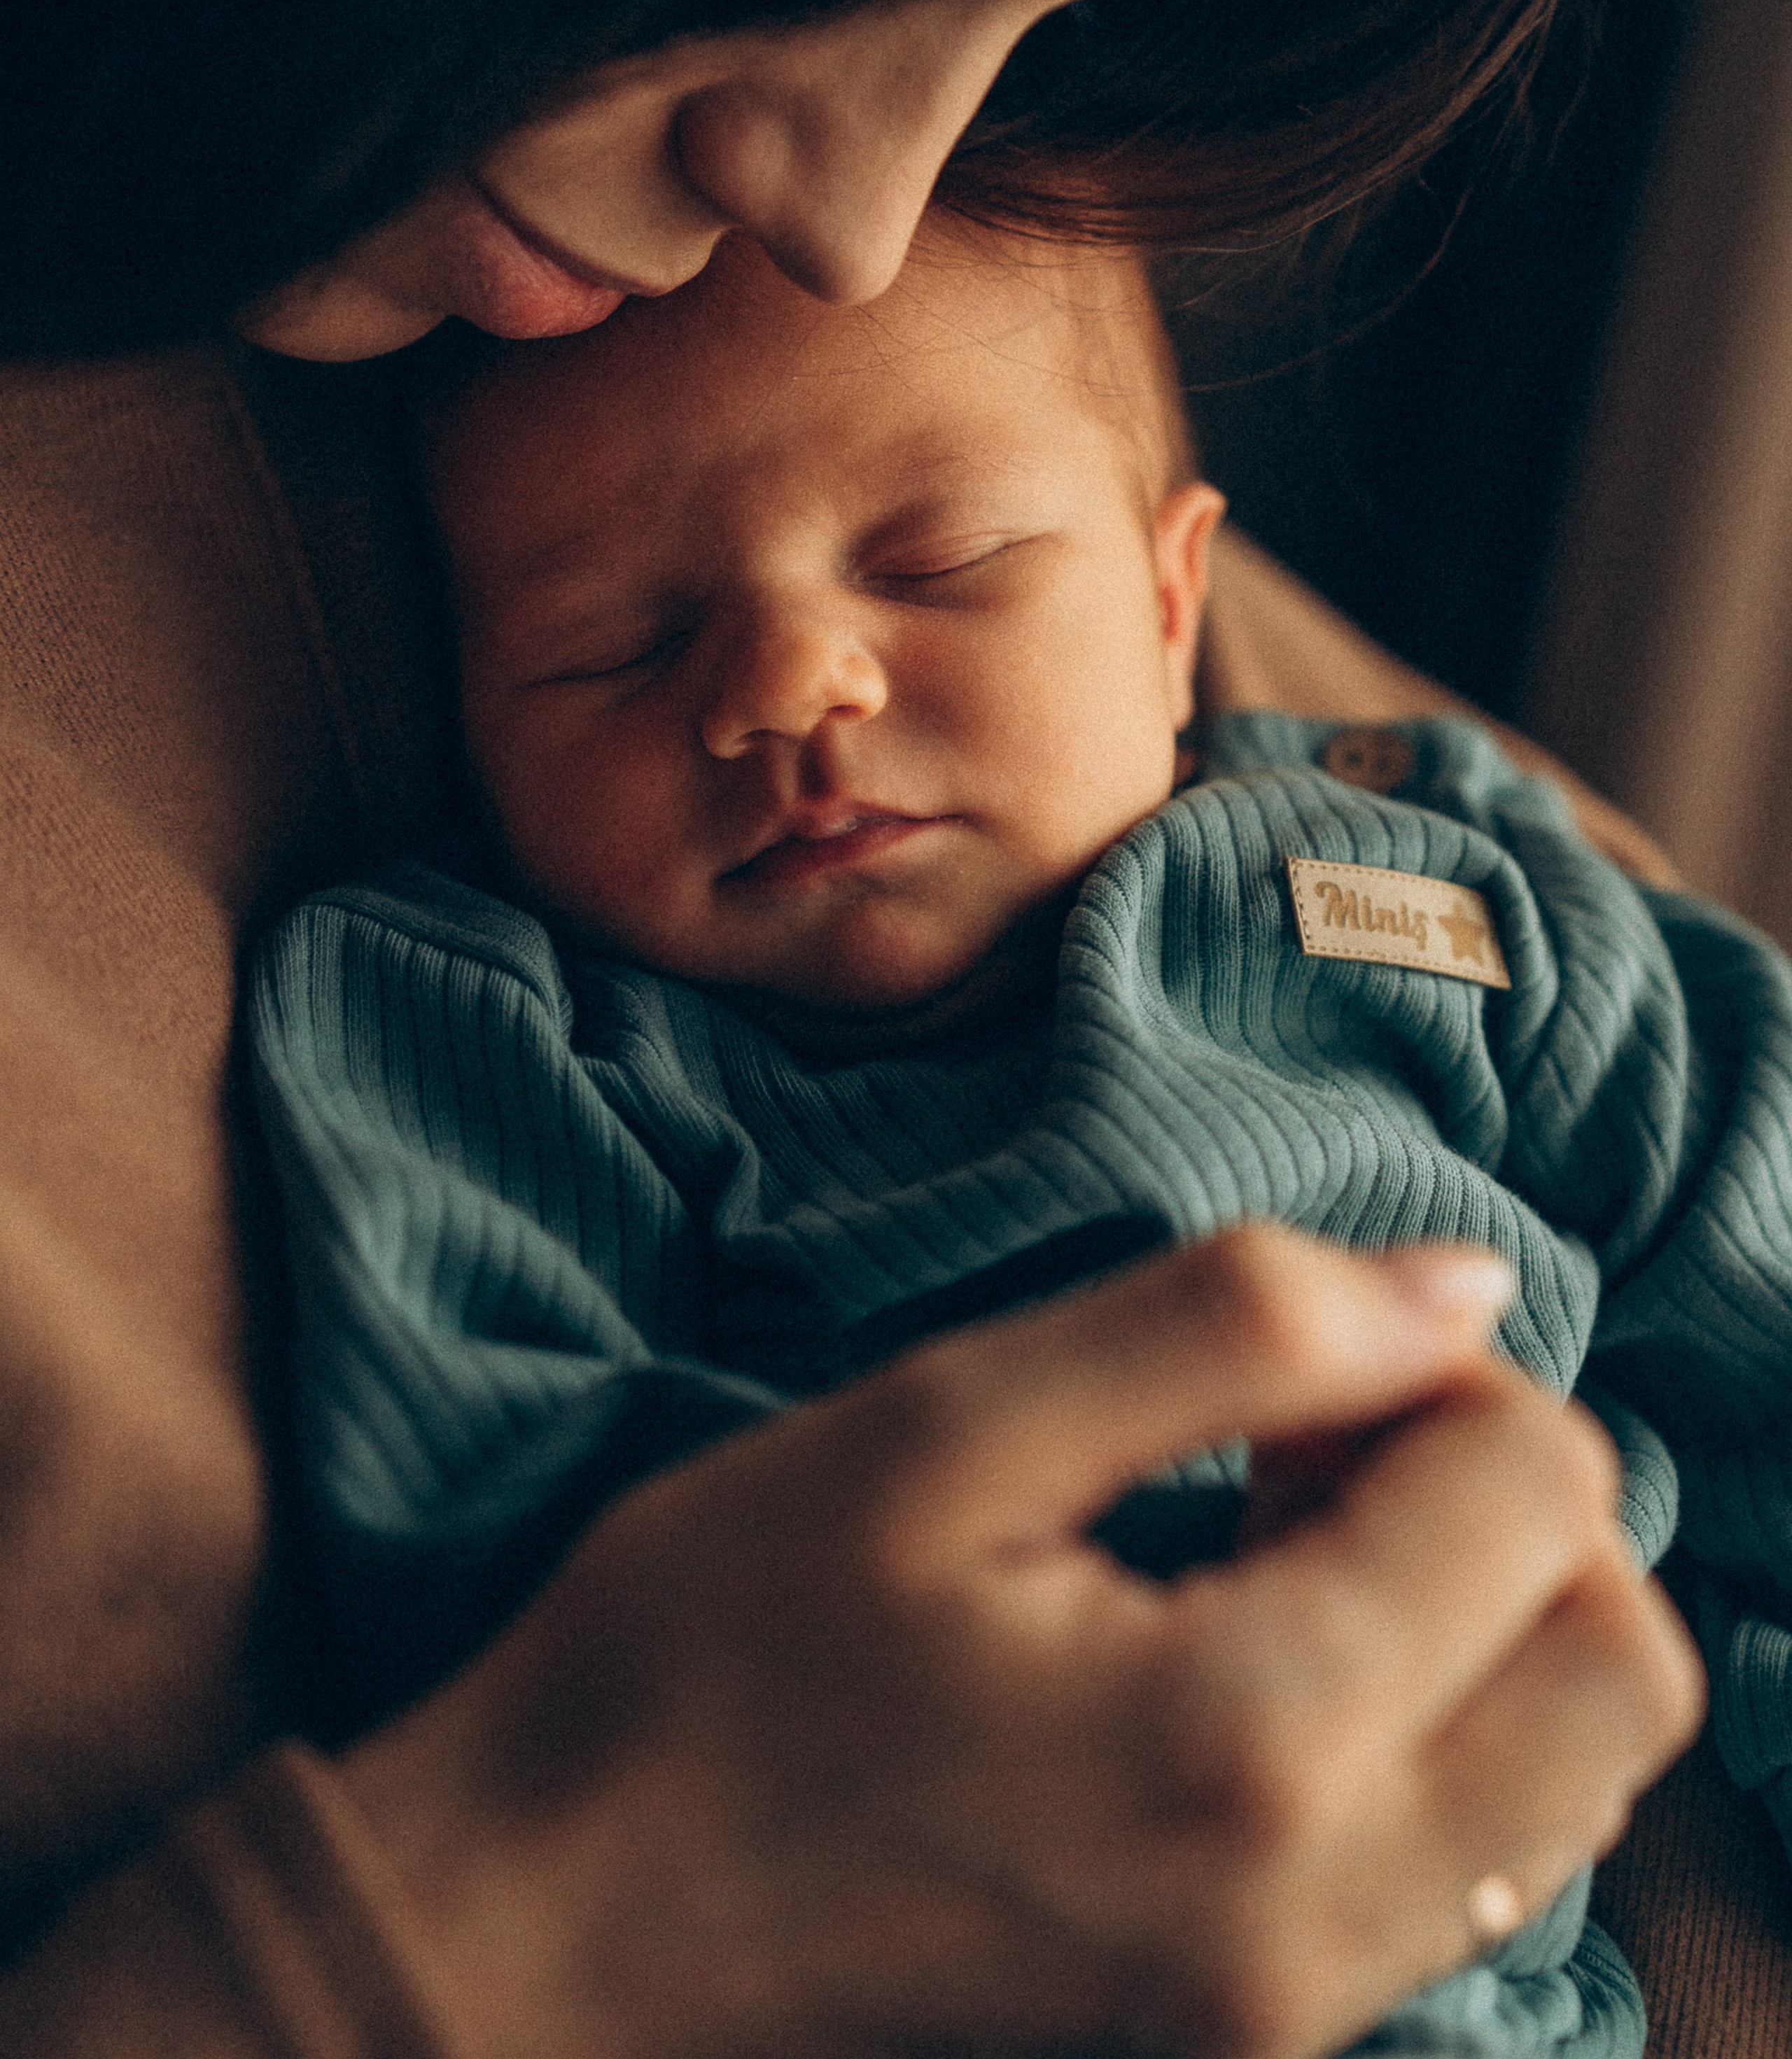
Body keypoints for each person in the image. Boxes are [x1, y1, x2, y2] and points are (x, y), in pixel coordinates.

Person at [4, 0, 1784, 2051]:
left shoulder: (1339, 814)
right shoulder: (490, 998)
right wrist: (510, 1941)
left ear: (1161, 601)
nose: (842, 221)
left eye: (1059, 18)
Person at [248, 223, 1792, 2054]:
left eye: (942, 562)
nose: (785, 682)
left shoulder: (1418, 865)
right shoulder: (505, 1026)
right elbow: (483, 1517)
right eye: (612, 644)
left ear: (1167, 606)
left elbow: (1751, 1234)